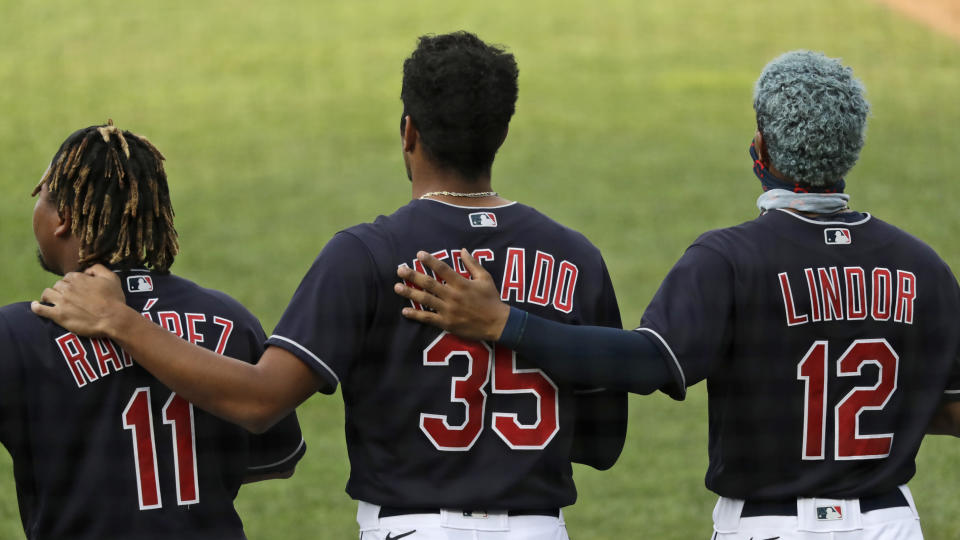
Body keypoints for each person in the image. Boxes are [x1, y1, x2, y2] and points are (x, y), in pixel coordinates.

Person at [32, 32, 628, 540]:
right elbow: (603, 444)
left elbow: (260, 402)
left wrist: (122, 321)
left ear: (409, 132)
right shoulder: (578, 257)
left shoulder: (368, 255)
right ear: (502, 129)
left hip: (410, 526)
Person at [391, 51, 960, 539]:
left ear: (761, 146)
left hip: (772, 526)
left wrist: (504, 324)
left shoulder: (730, 260)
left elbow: (643, 363)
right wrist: (893, 413)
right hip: (891, 524)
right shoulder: (922, 267)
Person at [2, 121, 306, 540]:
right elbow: (277, 460)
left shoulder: (19, 333)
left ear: (64, 219)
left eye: (44, 200)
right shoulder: (230, 320)